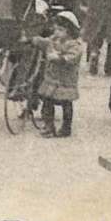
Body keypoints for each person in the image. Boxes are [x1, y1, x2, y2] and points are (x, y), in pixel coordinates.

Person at [38, 7, 85, 139]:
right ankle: (49, 126)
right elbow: (44, 42)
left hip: (65, 80)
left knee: (66, 103)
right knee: (47, 102)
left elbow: (73, 57)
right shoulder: (53, 40)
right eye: (56, 29)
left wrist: (60, 58)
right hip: (52, 78)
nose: (57, 32)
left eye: (61, 30)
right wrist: (34, 40)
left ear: (70, 31)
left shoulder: (74, 44)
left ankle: (66, 127)